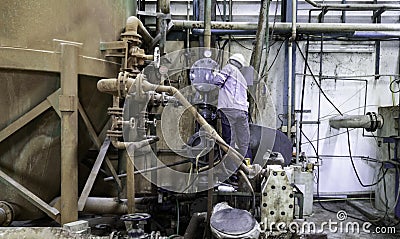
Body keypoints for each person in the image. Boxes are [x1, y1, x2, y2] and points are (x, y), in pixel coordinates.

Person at [212, 53, 251, 160]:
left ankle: (230, 172)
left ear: (231, 60)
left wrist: (214, 74)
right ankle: (247, 168)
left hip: (229, 110)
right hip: (242, 112)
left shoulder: (229, 68)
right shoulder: (243, 78)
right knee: (244, 142)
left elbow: (217, 81)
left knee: (229, 142)